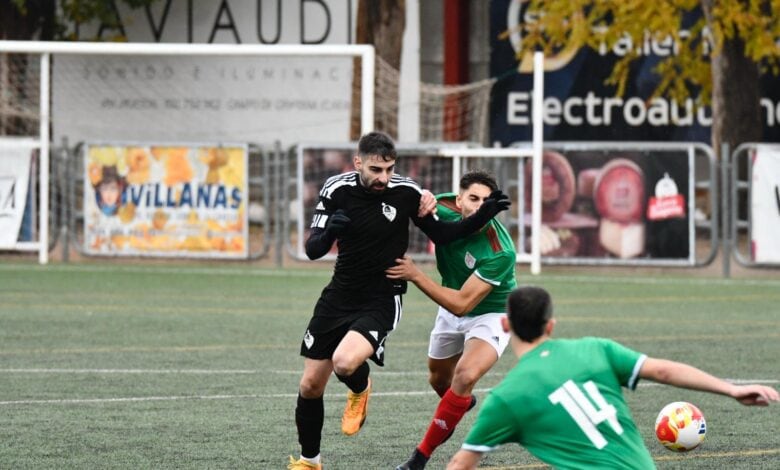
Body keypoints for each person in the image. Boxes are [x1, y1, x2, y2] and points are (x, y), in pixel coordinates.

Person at [288, 132, 510, 470]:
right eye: (376, 169)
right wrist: (331, 230)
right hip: (340, 292)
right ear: (358, 162)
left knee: (345, 363)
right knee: (309, 384)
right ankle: (309, 461)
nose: (383, 178)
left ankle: (360, 388)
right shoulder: (336, 189)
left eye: (390, 169)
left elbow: (443, 234)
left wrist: (481, 217)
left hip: (383, 293)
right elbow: (313, 249)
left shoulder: (407, 193)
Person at [447, 286, 780, 470]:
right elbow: (663, 371)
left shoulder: (507, 398)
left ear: (506, 327)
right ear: (551, 325)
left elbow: (462, 464)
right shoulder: (596, 349)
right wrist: (731, 389)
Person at [385, 170, 517, 470]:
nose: (479, 206)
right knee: (438, 379)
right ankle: (459, 404)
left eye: (486, 201)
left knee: (465, 376)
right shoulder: (442, 207)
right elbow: (409, 199)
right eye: (473, 198)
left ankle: (419, 458)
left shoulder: (501, 251)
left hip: (490, 312)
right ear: (458, 200)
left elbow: (462, 305)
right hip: (451, 303)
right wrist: (424, 196)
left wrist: (416, 274)